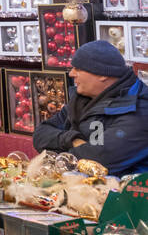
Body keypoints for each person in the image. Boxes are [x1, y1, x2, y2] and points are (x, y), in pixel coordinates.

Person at [34, 40, 148, 175]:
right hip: (80, 187)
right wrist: (72, 140)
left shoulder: (139, 110)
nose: (71, 74)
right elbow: (40, 134)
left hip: (123, 193)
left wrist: (57, 151)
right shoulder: (82, 100)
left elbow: (97, 161)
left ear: (102, 74)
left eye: (78, 69)